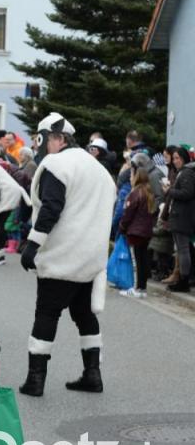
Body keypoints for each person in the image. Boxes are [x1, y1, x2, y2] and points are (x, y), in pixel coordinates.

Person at [19, 112, 116, 397]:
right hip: (91, 259)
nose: (42, 147)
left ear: (57, 138)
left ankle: (36, 379)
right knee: (85, 316)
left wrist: (32, 245)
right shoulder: (98, 169)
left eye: (44, 140)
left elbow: (51, 208)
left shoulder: (57, 165)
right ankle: (92, 374)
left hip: (62, 256)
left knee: (47, 314)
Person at [117, 167, 156, 298]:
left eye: (132, 174)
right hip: (146, 231)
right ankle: (142, 288)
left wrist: (122, 227)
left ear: (136, 177)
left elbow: (128, 214)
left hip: (135, 231)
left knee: (135, 261)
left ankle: (135, 288)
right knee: (143, 259)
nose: (130, 177)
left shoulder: (135, 193)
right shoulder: (149, 192)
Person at [164, 148, 194, 292]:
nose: (175, 161)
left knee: (183, 250)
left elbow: (188, 193)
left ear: (184, 158)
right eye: (174, 158)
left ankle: (184, 281)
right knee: (182, 250)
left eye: (178, 158)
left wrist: (169, 191)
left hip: (183, 217)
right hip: (179, 216)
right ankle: (183, 279)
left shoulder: (187, 172)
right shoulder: (183, 172)